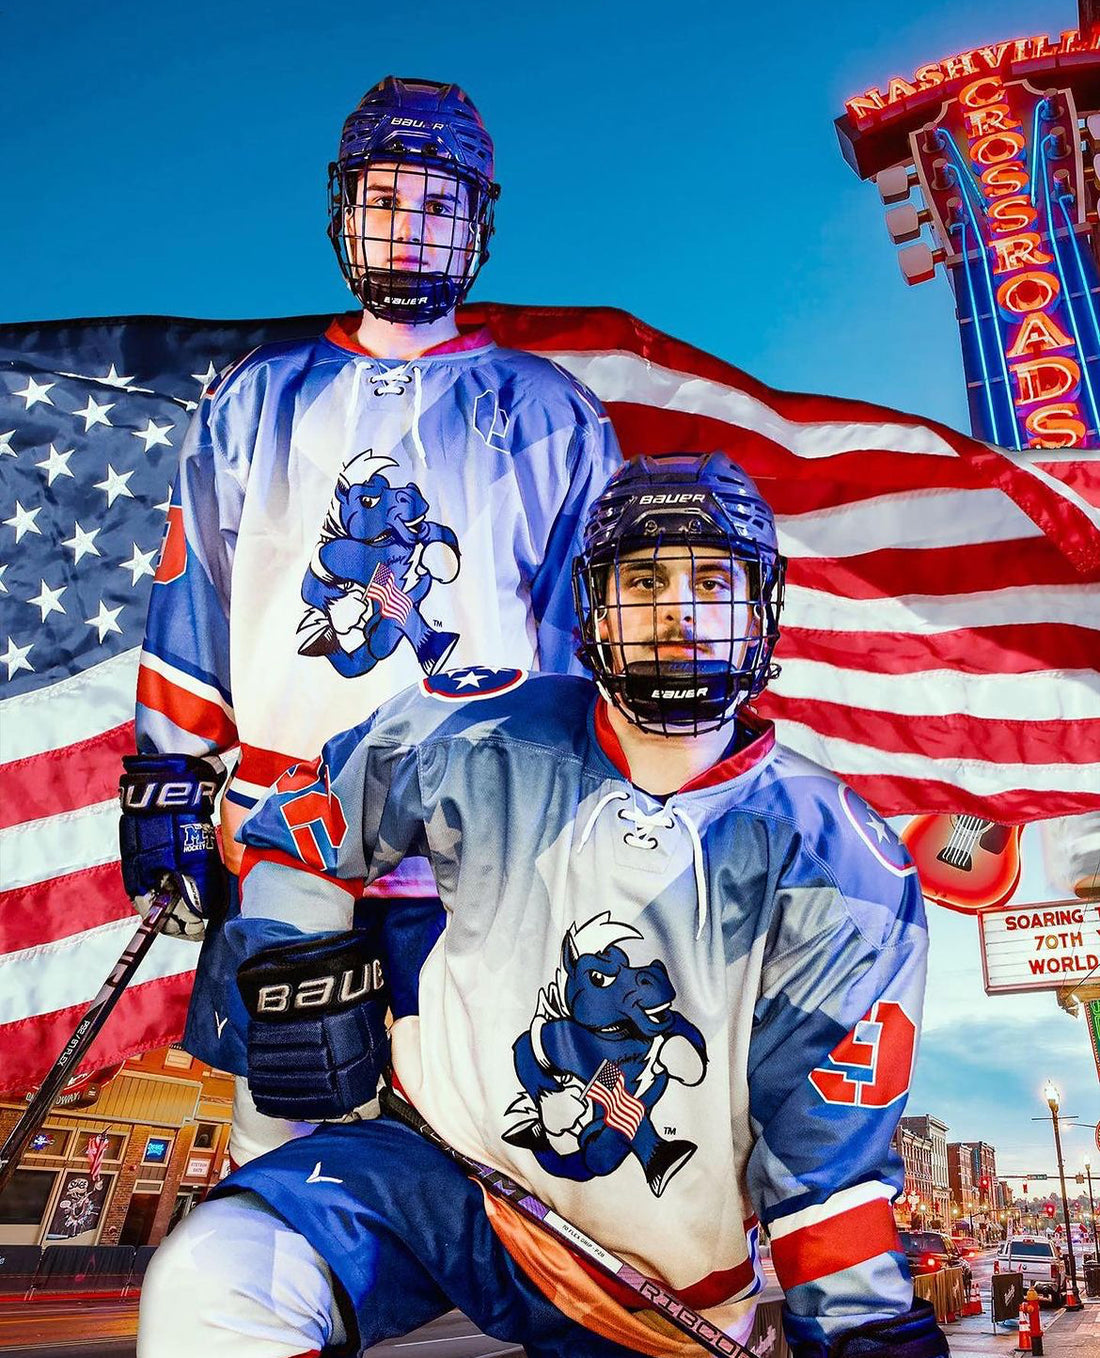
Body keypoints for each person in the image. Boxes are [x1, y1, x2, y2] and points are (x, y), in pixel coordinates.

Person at [138, 453, 948, 1358]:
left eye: (711, 581)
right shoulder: (483, 727)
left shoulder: (846, 868)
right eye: (644, 580)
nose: (678, 613)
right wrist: (298, 968)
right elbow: (308, 822)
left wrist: (863, 1328)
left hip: (655, 1279)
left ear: (761, 610)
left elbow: (824, 1163)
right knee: (217, 1279)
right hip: (439, 1169)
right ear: (596, 608)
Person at [118, 75, 622, 1163]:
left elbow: (591, 636)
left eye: (437, 204)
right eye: (389, 199)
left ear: (477, 224)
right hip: (288, 810)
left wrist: (605, 802)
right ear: (344, 209)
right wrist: (168, 768)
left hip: (482, 827)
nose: (411, 226)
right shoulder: (254, 398)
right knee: (281, 1111)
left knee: (504, 1122)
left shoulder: (549, 410)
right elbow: (193, 588)